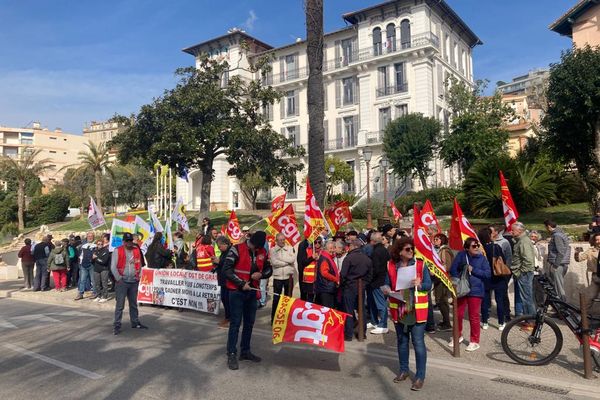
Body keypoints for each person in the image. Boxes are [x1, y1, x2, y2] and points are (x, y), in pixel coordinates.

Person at [382, 237, 431, 391]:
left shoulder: (420, 264)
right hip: (400, 307)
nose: (411, 251)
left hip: (416, 307)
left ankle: (420, 377)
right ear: (399, 251)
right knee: (402, 341)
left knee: (417, 342)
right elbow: (385, 283)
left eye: (412, 248)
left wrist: (420, 284)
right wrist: (386, 290)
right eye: (407, 249)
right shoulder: (390, 265)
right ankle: (403, 371)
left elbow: (429, 285)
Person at [223, 231, 273, 370]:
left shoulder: (262, 251)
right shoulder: (237, 249)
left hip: (252, 291)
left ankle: (245, 351)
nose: (254, 249)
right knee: (235, 324)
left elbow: (269, 269)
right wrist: (241, 283)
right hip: (236, 291)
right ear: (250, 241)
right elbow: (226, 270)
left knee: (249, 323)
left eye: (257, 247)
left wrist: (261, 274)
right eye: (253, 246)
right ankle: (231, 353)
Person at [448, 237, 491, 351]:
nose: (476, 247)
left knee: (474, 316)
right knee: (458, 314)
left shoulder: (482, 258)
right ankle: (457, 336)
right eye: (473, 246)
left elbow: (487, 274)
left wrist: (474, 270)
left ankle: (474, 341)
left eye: (477, 245)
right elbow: (453, 269)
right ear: (467, 248)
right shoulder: (461, 255)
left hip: (476, 291)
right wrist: (458, 278)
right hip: (462, 289)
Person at [111, 232, 147, 335]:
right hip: (122, 281)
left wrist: (139, 275)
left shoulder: (136, 250)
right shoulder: (118, 250)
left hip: (133, 281)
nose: (129, 243)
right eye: (127, 241)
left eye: (130, 240)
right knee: (120, 305)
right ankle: (117, 325)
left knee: (133, 304)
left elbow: (139, 264)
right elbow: (113, 266)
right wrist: (119, 278)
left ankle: (135, 322)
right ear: (123, 241)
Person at [340, 238, 372, 341]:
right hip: (361, 287)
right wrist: (364, 284)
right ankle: (362, 333)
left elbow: (343, 274)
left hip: (350, 286)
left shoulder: (349, 258)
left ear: (353, 246)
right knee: (361, 309)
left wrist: (345, 284)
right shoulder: (367, 259)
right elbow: (370, 275)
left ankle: (349, 334)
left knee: (348, 310)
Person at [478, 228, 509, 331]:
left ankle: (485, 322)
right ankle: (501, 322)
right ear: (488, 236)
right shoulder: (495, 247)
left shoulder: (479, 249)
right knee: (499, 300)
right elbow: (502, 260)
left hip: (485, 277)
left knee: (485, 300)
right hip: (498, 276)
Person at [510, 222, 537, 326]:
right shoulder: (520, 241)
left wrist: (520, 272)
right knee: (525, 297)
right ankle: (529, 320)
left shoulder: (524, 242)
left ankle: (531, 322)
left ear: (520, 231)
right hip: (522, 273)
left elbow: (528, 260)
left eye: (513, 230)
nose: (511, 231)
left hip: (524, 274)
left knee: (527, 298)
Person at [491, 224, 517, 321]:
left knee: (503, 293)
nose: (490, 233)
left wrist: (506, 270)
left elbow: (509, 257)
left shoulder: (505, 242)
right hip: (491, 272)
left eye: (492, 231)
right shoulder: (489, 242)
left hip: (502, 272)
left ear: (497, 232)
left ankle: (506, 313)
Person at [269, 233, 296, 324]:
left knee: (288, 298)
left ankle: (287, 319)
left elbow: (292, 260)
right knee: (276, 298)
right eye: (280, 240)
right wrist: (285, 262)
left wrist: (281, 259)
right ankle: (274, 319)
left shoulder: (289, 248)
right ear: (276, 241)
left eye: (283, 239)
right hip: (278, 277)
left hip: (288, 277)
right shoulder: (273, 250)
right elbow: (274, 262)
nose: (282, 241)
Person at [367, 232, 391, 334]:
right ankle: (374, 321)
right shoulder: (384, 249)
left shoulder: (376, 252)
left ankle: (383, 325)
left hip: (378, 281)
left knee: (380, 303)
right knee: (373, 302)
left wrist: (370, 279)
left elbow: (376, 269)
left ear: (373, 241)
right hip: (383, 278)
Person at [545, 219, 571, 300]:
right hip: (561, 264)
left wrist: (555, 265)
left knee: (559, 288)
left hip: (558, 265)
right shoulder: (561, 234)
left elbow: (561, 252)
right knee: (558, 286)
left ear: (549, 226)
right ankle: (561, 308)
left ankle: (563, 309)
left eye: (546, 227)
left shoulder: (557, 235)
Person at [574, 233, 600, 312]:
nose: (598, 241)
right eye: (597, 240)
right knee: (590, 297)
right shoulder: (591, 250)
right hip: (596, 277)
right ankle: (583, 317)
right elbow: (579, 259)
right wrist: (577, 253)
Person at [432, 233, 453, 331]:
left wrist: (436, 271)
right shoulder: (439, 250)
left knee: (441, 300)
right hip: (439, 279)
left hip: (442, 279)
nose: (434, 241)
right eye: (434, 239)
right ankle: (445, 321)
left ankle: (447, 323)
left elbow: (447, 266)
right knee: (439, 300)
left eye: (437, 239)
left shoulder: (444, 251)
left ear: (442, 240)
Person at [213, 236, 232, 327]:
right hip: (223, 279)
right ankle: (228, 317)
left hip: (227, 280)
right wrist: (216, 263)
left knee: (227, 300)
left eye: (220, 246)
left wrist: (219, 261)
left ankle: (229, 318)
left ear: (225, 244)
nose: (219, 248)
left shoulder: (230, 251)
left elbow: (228, 264)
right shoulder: (223, 252)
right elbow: (221, 263)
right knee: (224, 299)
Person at [314, 240, 339, 309]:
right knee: (327, 308)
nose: (333, 250)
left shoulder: (327, 257)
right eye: (330, 248)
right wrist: (335, 279)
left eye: (334, 248)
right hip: (326, 287)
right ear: (326, 249)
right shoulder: (325, 258)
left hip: (325, 287)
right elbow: (324, 273)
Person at [297, 237, 321, 302]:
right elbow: (303, 262)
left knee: (317, 298)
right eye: (315, 242)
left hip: (318, 279)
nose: (317, 244)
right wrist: (312, 258)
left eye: (319, 242)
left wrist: (319, 259)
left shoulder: (322, 251)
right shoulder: (308, 250)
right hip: (308, 279)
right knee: (309, 298)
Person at [75, 232, 96, 300]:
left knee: (93, 280)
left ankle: (94, 292)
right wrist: (80, 263)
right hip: (83, 265)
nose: (90, 237)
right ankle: (80, 293)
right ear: (87, 237)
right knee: (82, 280)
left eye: (91, 236)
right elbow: (81, 255)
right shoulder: (83, 246)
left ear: (93, 237)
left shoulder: (95, 245)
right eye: (89, 236)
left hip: (92, 265)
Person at [92, 235, 112, 303]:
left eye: (101, 244)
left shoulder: (106, 250)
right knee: (97, 283)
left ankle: (105, 296)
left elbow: (104, 261)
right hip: (96, 269)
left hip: (104, 269)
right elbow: (92, 261)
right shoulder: (95, 251)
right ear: (96, 245)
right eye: (98, 244)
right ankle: (98, 295)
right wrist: (92, 258)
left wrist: (96, 258)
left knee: (104, 283)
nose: (100, 245)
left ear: (103, 244)